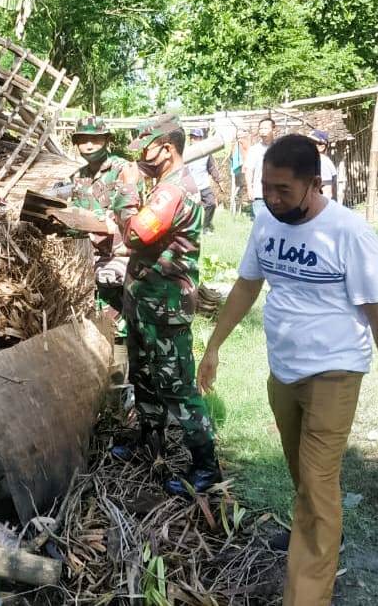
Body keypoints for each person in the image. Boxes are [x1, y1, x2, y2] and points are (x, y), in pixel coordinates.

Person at [197, 133, 378, 606]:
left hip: (335, 373)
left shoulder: (350, 234)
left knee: (316, 485)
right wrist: (213, 346)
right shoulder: (266, 223)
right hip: (285, 371)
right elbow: (246, 287)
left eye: (283, 191)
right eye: (266, 188)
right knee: (304, 475)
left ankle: (307, 591)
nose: (272, 199)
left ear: (314, 184)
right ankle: (319, 533)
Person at [110, 114, 220, 496]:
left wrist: (125, 193)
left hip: (165, 306)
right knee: (144, 377)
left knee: (176, 387)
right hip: (146, 303)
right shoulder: (165, 186)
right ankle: (149, 443)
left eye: (146, 147)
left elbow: (137, 234)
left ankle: (207, 467)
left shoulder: (174, 190)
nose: (141, 155)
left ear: (167, 148)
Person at [54, 115, 130, 334]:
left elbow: (130, 214)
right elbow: (74, 214)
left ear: (106, 141)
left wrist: (97, 221)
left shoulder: (122, 170)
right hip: (88, 255)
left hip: (118, 254)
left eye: (95, 140)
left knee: (117, 326)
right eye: (83, 139)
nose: (88, 145)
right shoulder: (77, 177)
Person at [185, 128, 221, 233]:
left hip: (203, 184)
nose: (194, 140)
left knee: (211, 203)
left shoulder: (206, 153)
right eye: (193, 137)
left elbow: (211, 168)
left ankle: (206, 227)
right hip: (190, 186)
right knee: (191, 208)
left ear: (201, 139)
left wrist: (218, 180)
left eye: (197, 138)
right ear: (190, 139)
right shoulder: (186, 152)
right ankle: (191, 229)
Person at [244, 117, 276, 218]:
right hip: (259, 194)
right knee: (259, 224)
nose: (262, 131)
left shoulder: (280, 148)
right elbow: (249, 170)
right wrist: (250, 188)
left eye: (266, 128)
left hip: (277, 194)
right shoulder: (254, 150)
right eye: (261, 128)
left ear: (274, 129)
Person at [311, 129, 339, 201]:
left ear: (322, 147)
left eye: (312, 143)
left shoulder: (321, 161)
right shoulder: (320, 160)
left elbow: (327, 193)